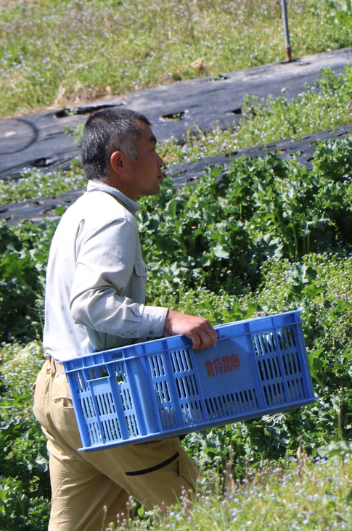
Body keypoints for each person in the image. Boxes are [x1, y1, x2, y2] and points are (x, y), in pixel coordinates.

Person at [33, 107, 218, 531]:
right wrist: (168, 319)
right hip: (96, 397)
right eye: (152, 150)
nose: (162, 161)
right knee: (201, 513)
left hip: (56, 392)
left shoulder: (78, 213)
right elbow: (89, 304)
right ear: (120, 162)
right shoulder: (113, 219)